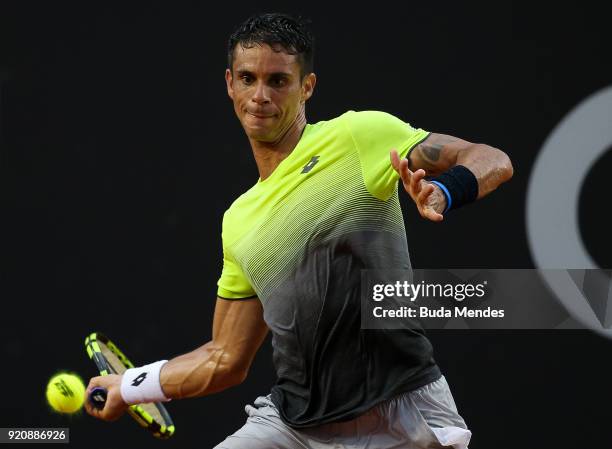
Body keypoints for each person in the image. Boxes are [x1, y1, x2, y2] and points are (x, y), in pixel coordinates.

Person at [85, 12, 513, 449]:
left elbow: (491, 158)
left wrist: (443, 190)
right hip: (294, 426)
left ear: (306, 86)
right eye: (248, 79)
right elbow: (224, 358)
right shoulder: (239, 220)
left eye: (278, 81)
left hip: (402, 415)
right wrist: (129, 387)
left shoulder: (357, 136)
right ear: (230, 83)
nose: (260, 96)